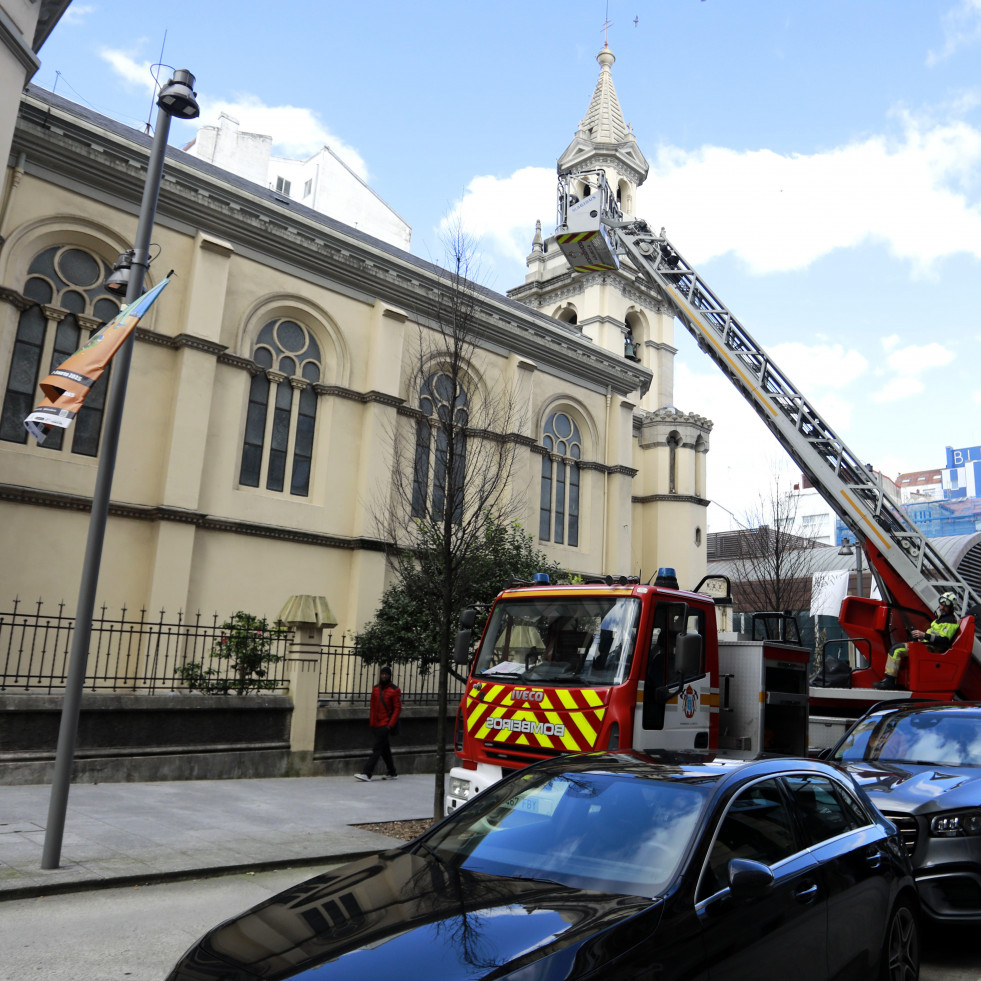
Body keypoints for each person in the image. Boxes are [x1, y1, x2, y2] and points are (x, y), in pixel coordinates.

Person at [875, 592, 959, 690]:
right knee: (898, 647)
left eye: (945, 606)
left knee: (896, 650)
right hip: (927, 645)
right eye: (941, 604)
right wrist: (921, 638)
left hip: (930, 649)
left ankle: (889, 681)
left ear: (952, 608)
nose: (941, 607)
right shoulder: (942, 619)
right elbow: (934, 635)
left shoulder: (950, 621)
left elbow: (944, 641)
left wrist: (924, 635)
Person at [355, 665, 402, 781]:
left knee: (377, 749)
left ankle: (367, 773)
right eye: (383, 674)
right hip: (376, 724)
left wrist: (390, 725)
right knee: (384, 750)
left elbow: (397, 709)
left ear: (390, 676)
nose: (384, 676)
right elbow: (372, 707)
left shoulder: (395, 690)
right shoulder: (375, 689)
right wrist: (371, 723)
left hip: (385, 725)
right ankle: (392, 772)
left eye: (386, 674)